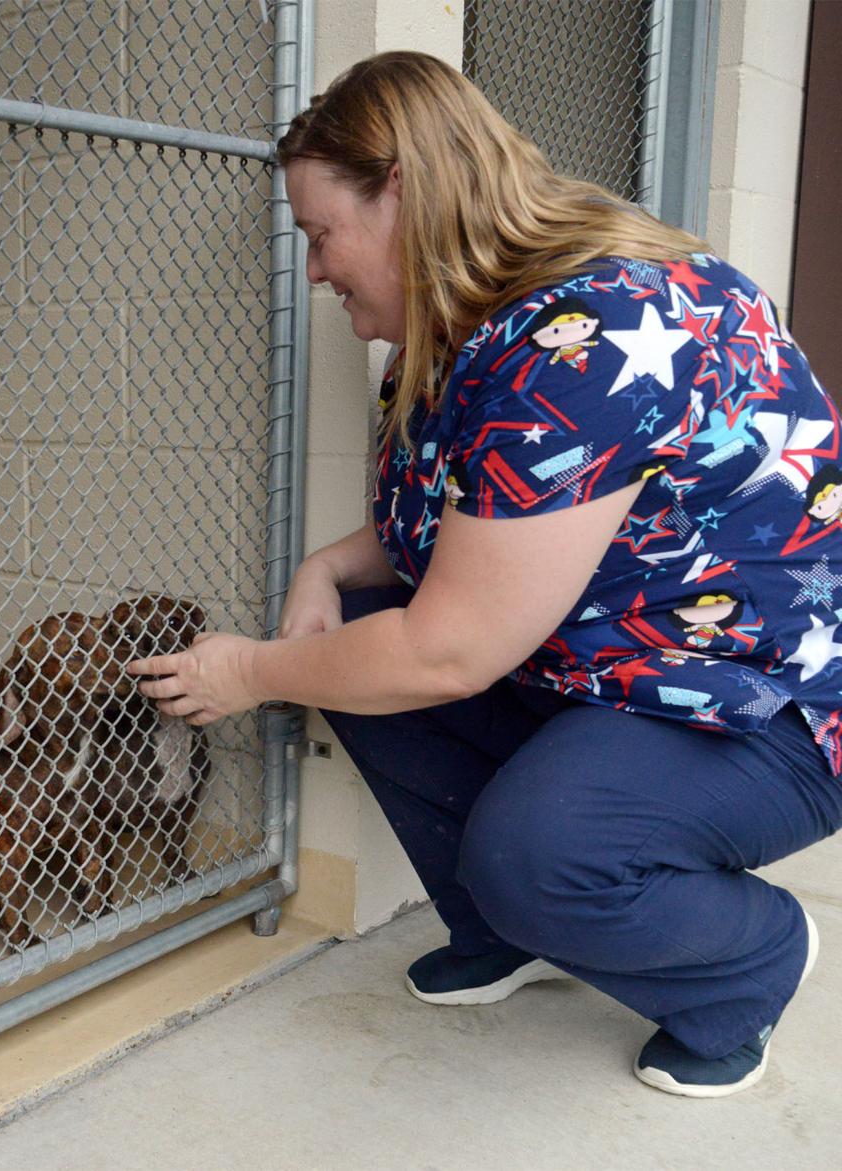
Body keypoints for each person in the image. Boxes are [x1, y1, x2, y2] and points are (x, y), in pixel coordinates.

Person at [127, 50, 842, 1098]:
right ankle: (508, 929)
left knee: (532, 843)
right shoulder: (470, 330)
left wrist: (254, 672)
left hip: (764, 709)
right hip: (625, 668)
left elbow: (452, 647)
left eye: (323, 234)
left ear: (406, 196)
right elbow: (483, 529)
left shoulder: (583, 339)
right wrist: (329, 566)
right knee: (354, 634)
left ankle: (747, 962)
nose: (316, 269)